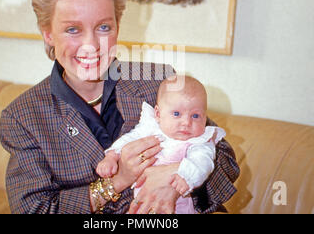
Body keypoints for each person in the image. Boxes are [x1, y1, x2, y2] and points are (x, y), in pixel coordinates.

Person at [0, 0, 239, 214]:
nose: (91, 46)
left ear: (117, 26)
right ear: (47, 34)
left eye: (103, 27)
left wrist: (176, 179)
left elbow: (226, 161)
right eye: (72, 29)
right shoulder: (23, 117)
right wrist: (117, 181)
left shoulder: (158, 81)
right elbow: (34, 209)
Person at [96, 75, 226, 214]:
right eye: (176, 114)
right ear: (158, 113)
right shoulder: (151, 128)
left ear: (205, 117)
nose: (186, 123)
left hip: (178, 206)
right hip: (140, 203)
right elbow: (129, 139)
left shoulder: (199, 141)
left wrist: (187, 177)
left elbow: (203, 162)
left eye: (195, 116)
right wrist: (111, 155)